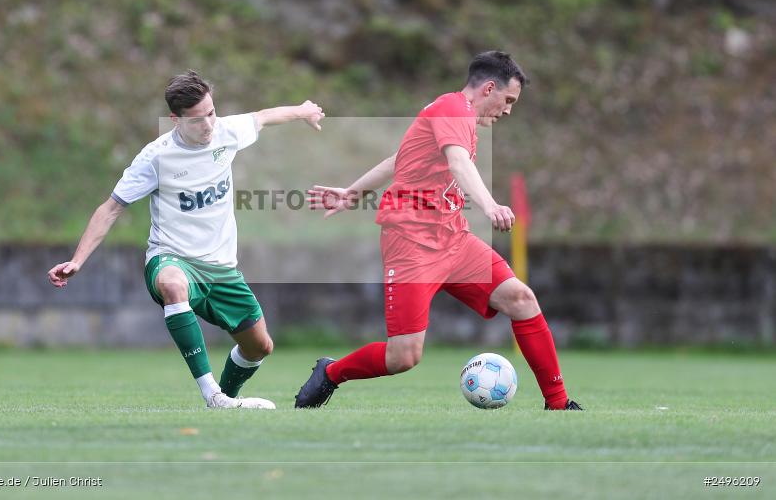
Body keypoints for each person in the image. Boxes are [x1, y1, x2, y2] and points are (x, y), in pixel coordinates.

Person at [296, 51, 581, 410]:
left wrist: (353, 193)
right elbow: (458, 162)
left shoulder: (457, 118)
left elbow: (398, 159)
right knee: (404, 356)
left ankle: (558, 404)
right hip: (411, 242)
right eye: (508, 101)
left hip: (453, 239)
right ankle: (332, 372)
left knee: (521, 299)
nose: (508, 110)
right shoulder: (452, 108)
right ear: (489, 88)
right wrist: (490, 205)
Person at [49, 70, 325, 409]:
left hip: (221, 268)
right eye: (197, 120)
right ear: (175, 120)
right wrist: (77, 260)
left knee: (259, 347)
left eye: (211, 113)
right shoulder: (156, 157)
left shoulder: (226, 132)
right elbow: (110, 209)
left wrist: (302, 110)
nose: (208, 125)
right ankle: (211, 394)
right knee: (173, 285)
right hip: (173, 257)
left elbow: (264, 117)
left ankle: (223, 402)